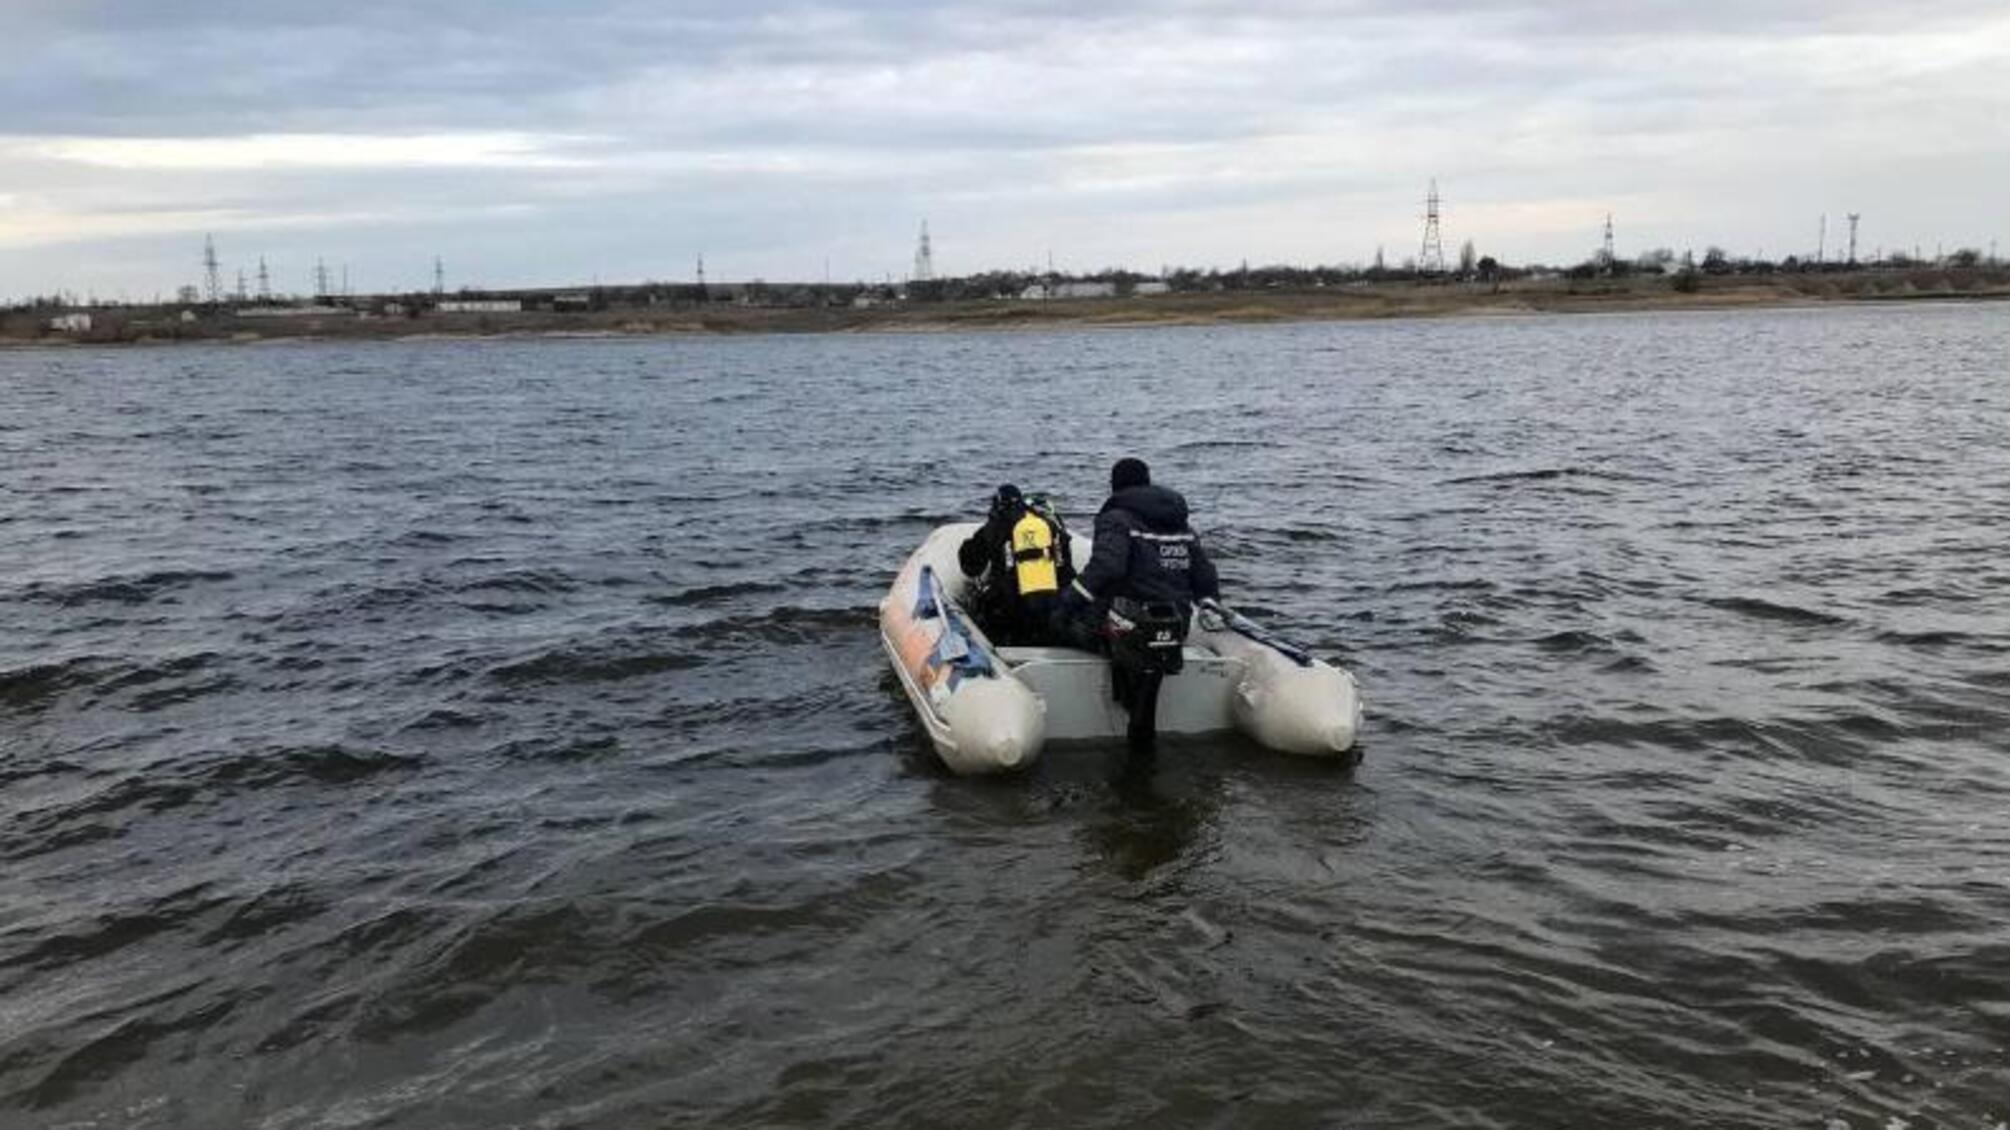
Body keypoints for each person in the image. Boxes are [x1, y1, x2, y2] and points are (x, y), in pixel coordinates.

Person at [1062, 457, 1220, 749]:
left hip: (1132, 626)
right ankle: (1129, 692)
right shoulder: (1180, 523)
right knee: (1125, 627)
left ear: (1114, 486)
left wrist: (1067, 601)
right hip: (1176, 624)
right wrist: (1211, 606)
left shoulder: (1116, 518)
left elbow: (1108, 566)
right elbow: (1205, 576)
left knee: (1064, 623)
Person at [957, 484, 1073, 646]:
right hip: (1056, 608)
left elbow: (970, 567)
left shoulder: (997, 525)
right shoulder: (1048, 524)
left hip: (1013, 613)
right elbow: (1067, 568)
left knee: (983, 600)